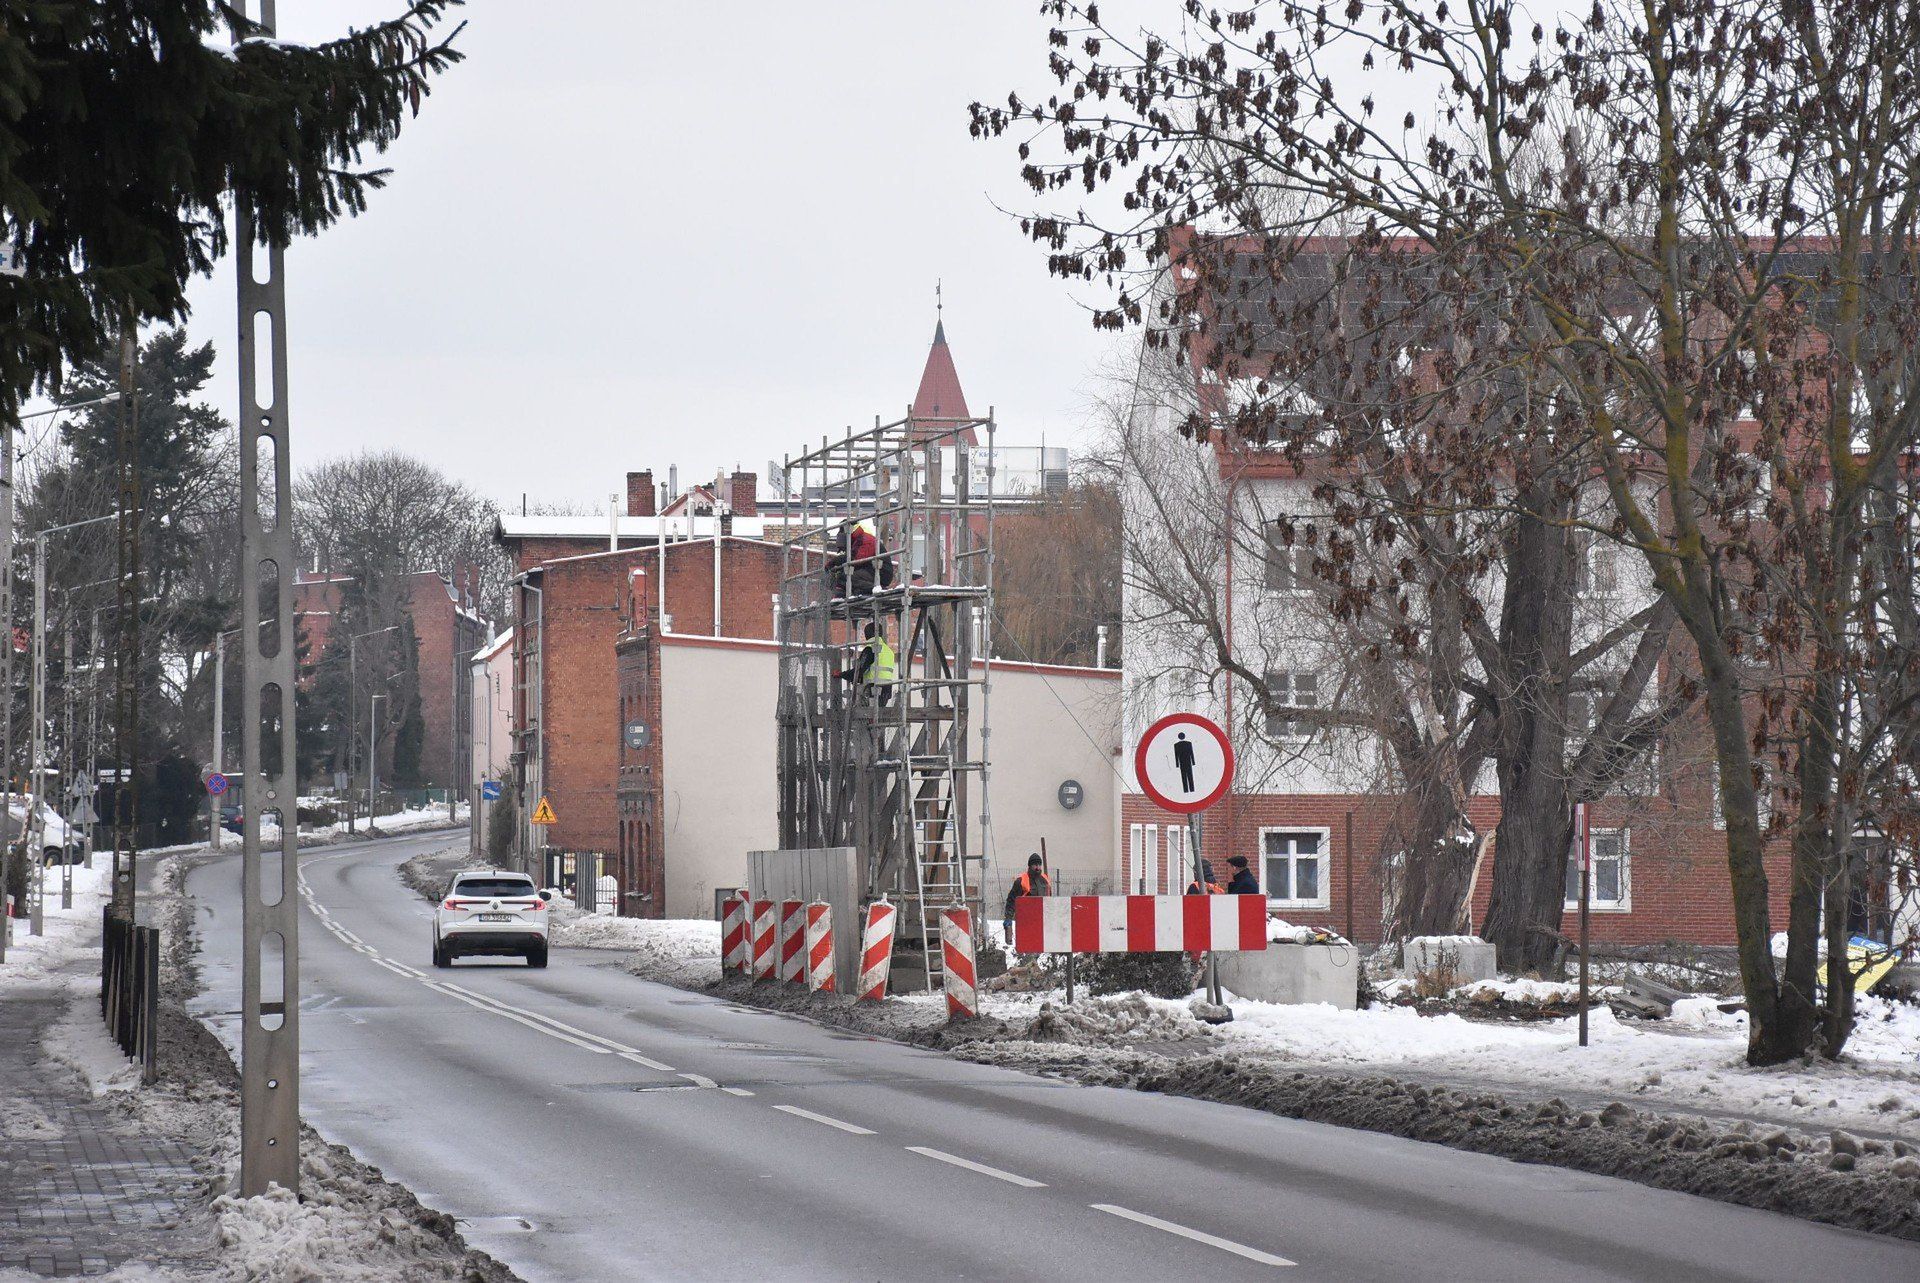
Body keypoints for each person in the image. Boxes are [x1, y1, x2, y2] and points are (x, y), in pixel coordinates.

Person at [835, 621, 896, 706]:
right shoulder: (889, 651)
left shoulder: (870, 648)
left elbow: (858, 672)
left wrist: (841, 674)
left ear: (867, 634)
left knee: (859, 711)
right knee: (877, 716)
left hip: (871, 690)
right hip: (886, 691)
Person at [1002, 852, 1050, 945]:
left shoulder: (1045, 879)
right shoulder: (1021, 881)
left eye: (1039, 865)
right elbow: (1011, 901)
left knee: (1040, 946)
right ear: (1030, 866)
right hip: (1026, 921)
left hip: (1042, 920)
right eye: (1035, 865)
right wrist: (1008, 917)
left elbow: (1049, 899)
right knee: (1028, 947)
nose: (1038, 867)